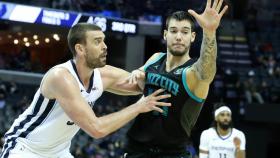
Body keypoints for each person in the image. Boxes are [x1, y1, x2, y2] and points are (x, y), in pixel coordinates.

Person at [0, 23, 171, 158]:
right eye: (97, 41)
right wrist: (139, 106)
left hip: (58, 152)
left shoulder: (104, 75)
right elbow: (96, 129)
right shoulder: (61, 77)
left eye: (104, 40)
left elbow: (141, 86)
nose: (105, 46)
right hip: (26, 149)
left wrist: (148, 70)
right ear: (80, 49)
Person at [123, 0, 228, 157]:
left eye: (185, 32)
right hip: (137, 150)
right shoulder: (156, 58)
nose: (179, 37)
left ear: (193, 37)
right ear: (165, 35)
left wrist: (209, 31)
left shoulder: (191, 72)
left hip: (171, 153)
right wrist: (137, 71)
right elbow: (137, 76)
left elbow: (206, 72)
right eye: (173, 31)